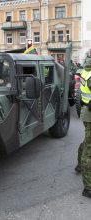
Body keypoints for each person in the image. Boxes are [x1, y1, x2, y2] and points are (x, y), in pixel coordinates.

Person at [75, 56, 91, 198]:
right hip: (90, 113)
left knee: (87, 143)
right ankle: (88, 188)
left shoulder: (86, 70)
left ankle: (80, 165)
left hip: (86, 112)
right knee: (89, 149)